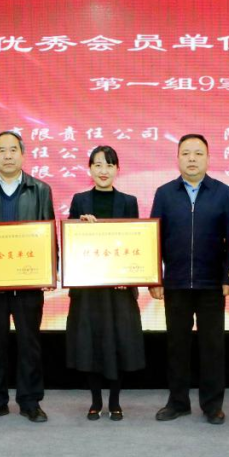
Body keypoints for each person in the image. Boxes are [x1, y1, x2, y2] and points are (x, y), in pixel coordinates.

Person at [0, 131, 56, 423]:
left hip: (29, 283)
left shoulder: (40, 189)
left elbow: (49, 233)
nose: (7, 155)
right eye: (2, 150)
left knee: (30, 344)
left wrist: (49, 271)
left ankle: (30, 402)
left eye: (13, 150)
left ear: (22, 154)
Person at [150, 134, 229, 425]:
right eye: (186, 153)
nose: (192, 158)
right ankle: (178, 402)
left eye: (198, 153)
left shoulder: (223, 192)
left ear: (208, 158)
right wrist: (155, 278)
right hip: (175, 283)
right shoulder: (164, 193)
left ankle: (212, 405)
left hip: (212, 284)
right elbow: (154, 238)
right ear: (177, 158)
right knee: (177, 346)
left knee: (213, 347)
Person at [65, 146, 145, 421]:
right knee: (90, 343)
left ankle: (115, 401)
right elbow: (71, 243)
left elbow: (136, 242)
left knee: (118, 343)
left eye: (109, 165)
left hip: (119, 289)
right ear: (89, 169)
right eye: (98, 165)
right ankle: (95, 400)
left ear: (117, 170)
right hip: (88, 289)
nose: (103, 171)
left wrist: (129, 277)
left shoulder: (128, 202)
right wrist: (80, 227)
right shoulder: (80, 201)